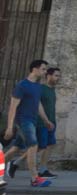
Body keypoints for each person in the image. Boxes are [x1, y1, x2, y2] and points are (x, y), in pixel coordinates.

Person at [4, 59, 54, 188]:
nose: (45, 72)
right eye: (43, 69)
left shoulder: (37, 86)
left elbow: (38, 105)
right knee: (33, 145)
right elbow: (13, 107)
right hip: (23, 121)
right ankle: (35, 178)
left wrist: (46, 120)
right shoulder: (22, 85)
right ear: (35, 69)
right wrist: (10, 127)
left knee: (14, 149)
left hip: (33, 121)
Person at [35, 67, 61, 178]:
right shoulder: (40, 88)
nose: (58, 78)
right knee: (40, 146)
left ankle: (43, 169)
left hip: (51, 122)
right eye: (56, 76)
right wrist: (45, 120)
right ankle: (15, 162)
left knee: (50, 145)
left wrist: (53, 120)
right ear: (48, 76)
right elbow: (37, 105)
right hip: (42, 122)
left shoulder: (52, 90)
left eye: (59, 76)